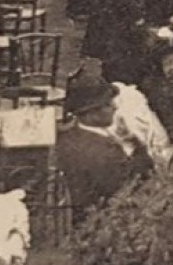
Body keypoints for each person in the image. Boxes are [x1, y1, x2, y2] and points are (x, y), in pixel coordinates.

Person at [56, 70, 144, 215]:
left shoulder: (67, 137)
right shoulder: (104, 151)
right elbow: (131, 189)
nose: (115, 108)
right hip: (100, 220)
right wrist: (137, 147)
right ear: (91, 113)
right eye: (108, 105)